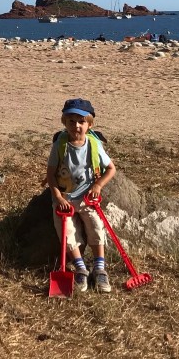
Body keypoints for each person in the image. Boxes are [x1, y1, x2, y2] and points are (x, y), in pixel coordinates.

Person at [46, 98, 117, 294]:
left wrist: (98, 185)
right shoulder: (60, 145)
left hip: (88, 199)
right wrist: (58, 198)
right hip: (65, 200)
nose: (76, 126)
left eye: (81, 121)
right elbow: (50, 175)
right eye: (71, 121)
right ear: (64, 122)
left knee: (96, 227)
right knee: (67, 233)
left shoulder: (94, 144)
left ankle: (99, 268)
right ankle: (80, 267)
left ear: (89, 124)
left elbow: (111, 169)